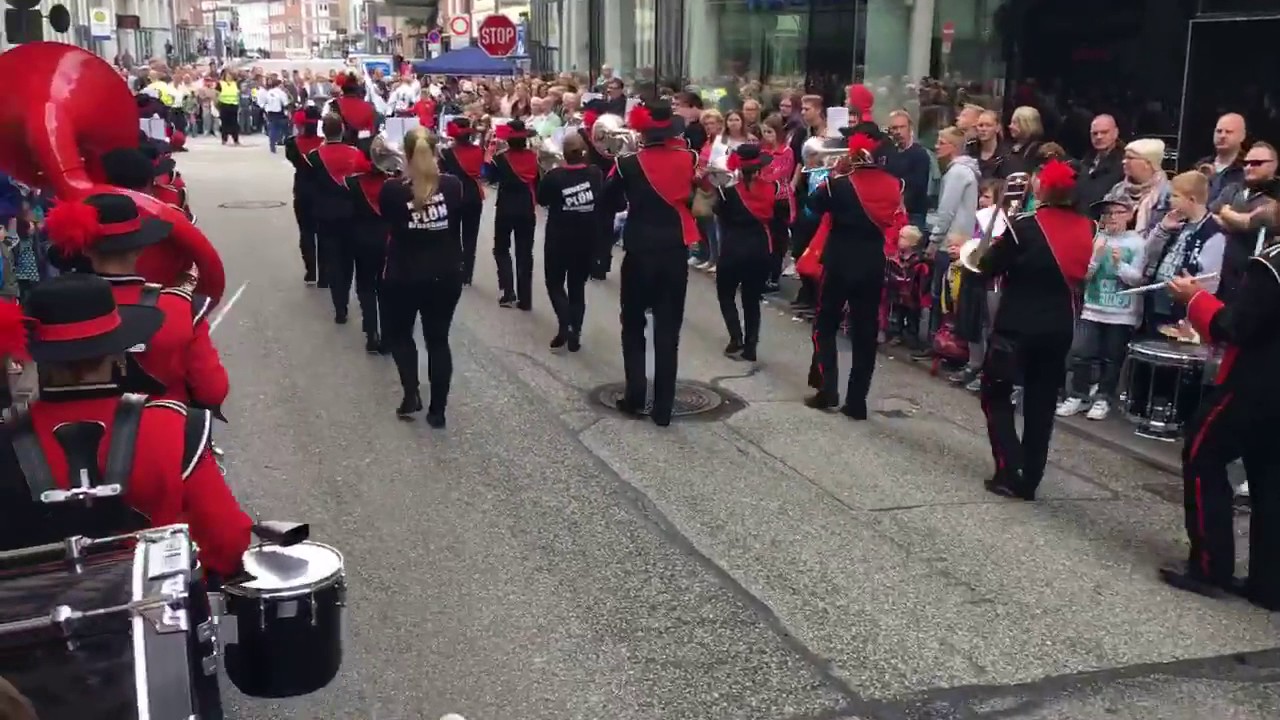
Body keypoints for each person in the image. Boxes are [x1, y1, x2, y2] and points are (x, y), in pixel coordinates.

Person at [0, 274, 251, 575]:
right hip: (153, 611)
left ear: (36, 358)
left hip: (33, 616)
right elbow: (229, 541)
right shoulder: (172, 425)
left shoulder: (6, 438)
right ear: (118, 354)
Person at [1159, 204, 1280, 610]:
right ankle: (1269, 583)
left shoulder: (1272, 264)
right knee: (1270, 479)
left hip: (1255, 384)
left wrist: (1195, 301)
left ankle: (1211, 565)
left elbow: (1236, 327)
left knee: (1202, 454)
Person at [974, 159, 1095, 500]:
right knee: (1041, 405)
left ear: (1046, 189)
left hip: (1017, 324)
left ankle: (1010, 468)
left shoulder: (1025, 226)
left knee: (995, 394)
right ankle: (1030, 478)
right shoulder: (1088, 227)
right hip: (1060, 326)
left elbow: (987, 264)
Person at [45, 190, 229, 413]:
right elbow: (212, 391)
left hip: (71, 436)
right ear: (141, 247)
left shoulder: (56, 310)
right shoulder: (180, 307)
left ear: (84, 248)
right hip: (164, 432)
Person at [603, 100, 699, 427]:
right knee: (668, 329)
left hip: (640, 249)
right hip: (674, 251)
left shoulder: (628, 162)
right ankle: (663, 407)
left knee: (633, 324)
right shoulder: (691, 158)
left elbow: (609, 199)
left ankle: (635, 394)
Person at [805, 126, 905, 418]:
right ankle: (857, 401)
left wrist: (832, 174)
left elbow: (814, 205)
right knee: (865, 333)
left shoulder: (839, 184)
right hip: (872, 263)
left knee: (824, 326)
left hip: (838, 262)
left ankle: (828, 389)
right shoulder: (894, 185)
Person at [378, 127, 465, 427]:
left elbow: (388, 222)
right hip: (445, 273)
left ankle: (411, 393)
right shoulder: (453, 186)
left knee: (402, 336)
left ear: (405, 153)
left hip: (405, 274)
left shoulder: (392, 189)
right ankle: (438, 411)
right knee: (438, 341)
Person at [712, 144, 778, 362]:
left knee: (726, 294)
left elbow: (718, 213)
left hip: (732, 248)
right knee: (752, 300)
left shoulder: (727, 191)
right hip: (760, 248)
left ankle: (735, 338)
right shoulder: (772, 188)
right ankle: (751, 347)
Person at [537, 132, 601, 352]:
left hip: (559, 237)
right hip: (586, 238)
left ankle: (566, 323)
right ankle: (576, 331)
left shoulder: (555, 176)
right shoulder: (594, 173)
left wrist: (545, 172)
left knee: (554, 283)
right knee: (577, 287)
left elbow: (541, 199)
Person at [306, 114, 373, 324]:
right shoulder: (355, 153)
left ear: (323, 131)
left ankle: (340, 306)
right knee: (349, 259)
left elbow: (309, 188)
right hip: (353, 214)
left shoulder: (314, 156)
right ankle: (348, 293)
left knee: (333, 260)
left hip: (325, 215)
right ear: (342, 130)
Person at [344, 136, 400, 354]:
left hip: (362, 241)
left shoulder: (352, 184)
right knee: (386, 290)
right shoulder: (394, 183)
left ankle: (371, 332)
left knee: (365, 288)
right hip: (389, 241)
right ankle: (387, 337)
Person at [486, 120, 540, 309]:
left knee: (501, 249)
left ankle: (507, 291)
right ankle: (526, 299)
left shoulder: (501, 159)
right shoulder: (534, 158)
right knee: (525, 253)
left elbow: (489, 177)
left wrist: (491, 154)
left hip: (506, 208)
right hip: (527, 208)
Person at [437, 117, 485, 285]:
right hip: (475, 194)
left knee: (453, 235)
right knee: (471, 236)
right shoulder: (479, 150)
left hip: (455, 194)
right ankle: (468, 274)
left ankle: (456, 268)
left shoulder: (447, 153)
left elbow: (441, 174)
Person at [577, 99, 618, 279]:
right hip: (608, 179)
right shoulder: (613, 132)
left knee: (592, 224)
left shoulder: (584, 132)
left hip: (591, 180)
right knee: (604, 224)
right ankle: (601, 263)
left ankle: (593, 261)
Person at [284, 105, 324, 284]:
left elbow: (293, 161)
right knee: (325, 233)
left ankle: (311, 270)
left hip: (302, 190)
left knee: (306, 232)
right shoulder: (325, 144)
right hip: (324, 191)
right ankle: (325, 272)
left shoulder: (292, 143)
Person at [332, 72, 377, 153]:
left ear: (343, 89)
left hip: (341, 148)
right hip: (364, 149)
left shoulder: (333, 104)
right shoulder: (370, 107)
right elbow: (372, 130)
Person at [215, 68, 240, 145]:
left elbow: (238, 94)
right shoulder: (220, 84)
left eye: (230, 75)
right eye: (227, 75)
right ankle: (224, 139)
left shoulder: (235, 84)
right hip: (224, 105)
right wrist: (217, 105)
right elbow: (216, 95)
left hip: (234, 105)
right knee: (224, 123)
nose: (229, 76)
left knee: (234, 124)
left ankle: (236, 140)